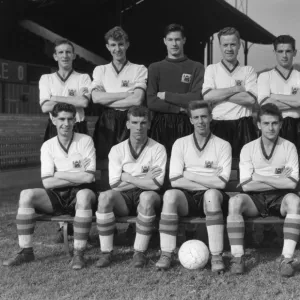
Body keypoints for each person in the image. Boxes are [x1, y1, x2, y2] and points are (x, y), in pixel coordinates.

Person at [3, 103, 97, 270]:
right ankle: (26, 250)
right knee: (26, 195)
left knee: (83, 195)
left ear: (75, 120)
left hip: (82, 193)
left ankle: (78, 254)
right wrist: (76, 175)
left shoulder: (85, 141)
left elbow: (89, 177)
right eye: (61, 119)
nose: (66, 124)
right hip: (57, 195)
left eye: (69, 119)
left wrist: (60, 174)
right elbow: (47, 182)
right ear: (53, 120)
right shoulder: (48, 145)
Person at [156, 101, 232, 272]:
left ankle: (217, 255)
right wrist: (208, 177)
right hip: (187, 197)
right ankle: (166, 253)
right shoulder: (180, 144)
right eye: (196, 117)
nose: (200, 121)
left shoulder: (222, 145)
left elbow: (221, 183)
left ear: (211, 118)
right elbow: (175, 180)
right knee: (169, 195)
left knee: (212, 194)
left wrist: (188, 174)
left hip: (212, 198)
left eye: (204, 116)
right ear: (190, 120)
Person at [227, 103, 300, 277]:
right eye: (266, 123)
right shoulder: (248, 148)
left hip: (280, 198)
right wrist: (279, 179)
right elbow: (246, 185)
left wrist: (260, 177)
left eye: (275, 123)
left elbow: (291, 184)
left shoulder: (289, 147)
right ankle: (237, 257)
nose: (271, 127)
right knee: (234, 201)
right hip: (255, 198)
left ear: (281, 124)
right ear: (258, 125)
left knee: (295, 200)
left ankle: (287, 258)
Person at [95, 106, 167, 268]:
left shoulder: (158, 149)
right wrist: (144, 178)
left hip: (148, 195)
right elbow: (114, 183)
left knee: (147, 197)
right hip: (124, 198)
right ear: (127, 124)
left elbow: (156, 184)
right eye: (134, 122)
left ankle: (139, 252)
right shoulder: (117, 150)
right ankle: (106, 252)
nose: (139, 127)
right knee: (105, 197)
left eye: (143, 123)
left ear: (149, 125)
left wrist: (127, 176)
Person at [147, 23, 204, 156]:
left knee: (186, 164)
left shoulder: (196, 67)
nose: (174, 43)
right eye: (170, 40)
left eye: (177, 39)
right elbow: (151, 101)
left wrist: (166, 95)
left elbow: (195, 98)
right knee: (161, 166)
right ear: (164, 41)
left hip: (186, 123)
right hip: (160, 124)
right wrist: (179, 108)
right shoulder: (155, 68)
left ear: (184, 40)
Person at [91, 26, 147, 161]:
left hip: (129, 118)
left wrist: (108, 99)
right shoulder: (100, 70)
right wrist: (126, 94)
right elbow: (96, 98)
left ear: (127, 45)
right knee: (105, 162)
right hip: (107, 120)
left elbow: (137, 100)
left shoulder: (139, 69)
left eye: (121, 44)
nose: (117, 49)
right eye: (113, 45)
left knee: (131, 161)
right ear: (107, 47)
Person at [202, 27, 257, 158]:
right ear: (220, 46)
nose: (229, 48)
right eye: (225, 45)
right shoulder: (212, 69)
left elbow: (251, 99)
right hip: (218, 124)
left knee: (245, 167)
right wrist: (235, 89)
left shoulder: (248, 70)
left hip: (243, 126)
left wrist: (219, 94)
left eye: (233, 44)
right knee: (218, 168)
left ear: (239, 45)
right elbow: (207, 97)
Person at [39, 39, 91, 141]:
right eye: (61, 52)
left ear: (74, 55)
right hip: (55, 128)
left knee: (80, 157)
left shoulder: (83, 78)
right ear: (55, 56)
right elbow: (45, 107)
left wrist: (55, 98)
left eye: (68, 52)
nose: (65, 56)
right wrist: (75, 100)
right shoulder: (46, 78)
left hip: (78, 126)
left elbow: (83, 102)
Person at [257, 35, 300, 148]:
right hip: (273, 128)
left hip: (297, 128)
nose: (284, 55)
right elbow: (265, 105)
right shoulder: (265, 76)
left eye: (288, 51)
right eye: (280, 51)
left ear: (294, 52)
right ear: (274, 52)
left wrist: (274, 96)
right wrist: (295, 102)